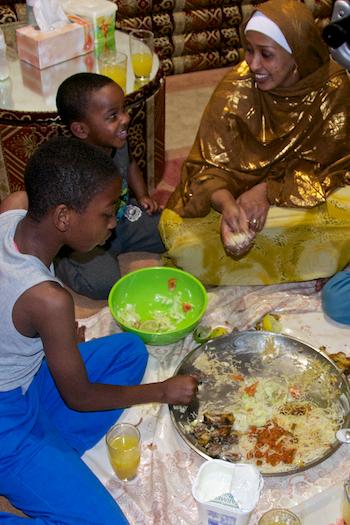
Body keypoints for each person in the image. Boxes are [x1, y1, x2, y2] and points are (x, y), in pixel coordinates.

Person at [0, 136, 197, 524]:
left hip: (25, 382)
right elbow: (81, 398)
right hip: (6, 417)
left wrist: (46, 341)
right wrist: (162, 391)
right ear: (63, 217)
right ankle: (34, 464)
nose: (113, 224)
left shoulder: (14, 207)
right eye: (107, 214)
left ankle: (49, 461)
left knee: (130, 351)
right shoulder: (49, 301)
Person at [159, 0, 350, 286]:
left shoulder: (332, 87)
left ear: (296, 55)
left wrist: (267, 192)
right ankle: (315, 263)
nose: (253, 64)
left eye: (266, 55)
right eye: (249, 50)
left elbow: (332, 166)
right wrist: (227, 206)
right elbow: (206, 168)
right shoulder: (237, 88)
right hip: (238, 193)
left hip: (296, 196)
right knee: (178, 233)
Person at [0, 72, 165, 300]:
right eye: (112, 115)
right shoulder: (71, 167)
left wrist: (143, 195)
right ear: (80, 129)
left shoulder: (118, 141)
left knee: (168, 228)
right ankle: (63, 258)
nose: (125, 118)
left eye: (123, 109)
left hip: (122, 217)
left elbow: (130, 166)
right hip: (85, 236)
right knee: (103, 284)